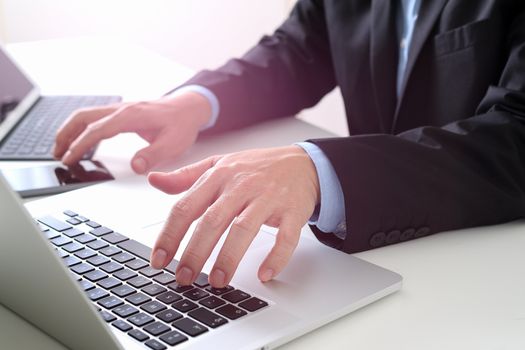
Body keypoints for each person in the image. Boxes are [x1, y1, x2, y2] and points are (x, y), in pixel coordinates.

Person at [53, 0, 525, 289]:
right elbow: (297, 50)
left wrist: (322, 171)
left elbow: (517, 134)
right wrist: (199, 103)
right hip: (375, 263)